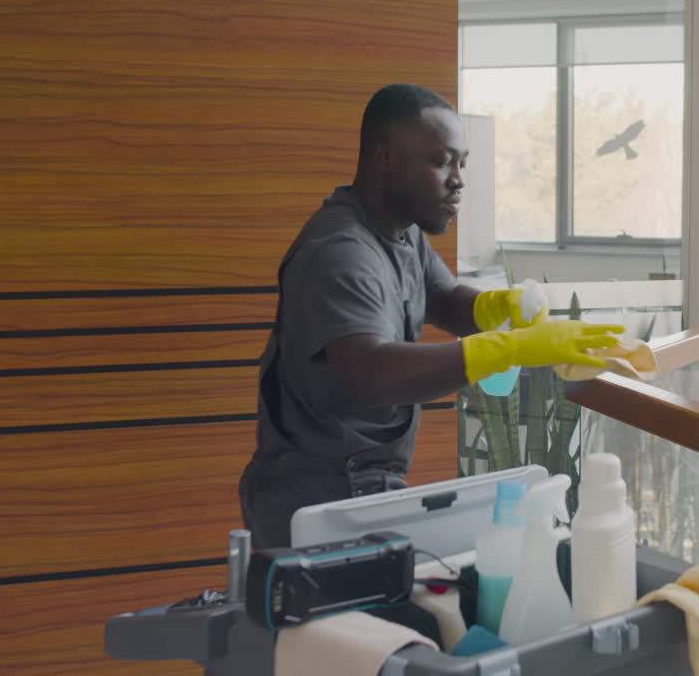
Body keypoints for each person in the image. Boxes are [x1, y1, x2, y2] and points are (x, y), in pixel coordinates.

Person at [239, 84, 623, 548]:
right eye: (441, 162)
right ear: (384, 158)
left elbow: (441, 297)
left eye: (462, 163)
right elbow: (372, 372)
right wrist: (509, 348)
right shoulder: (341, 252)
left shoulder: (399, 234)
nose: (458, 180)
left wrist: (497, 308)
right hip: (314, 502)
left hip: (361, 488)